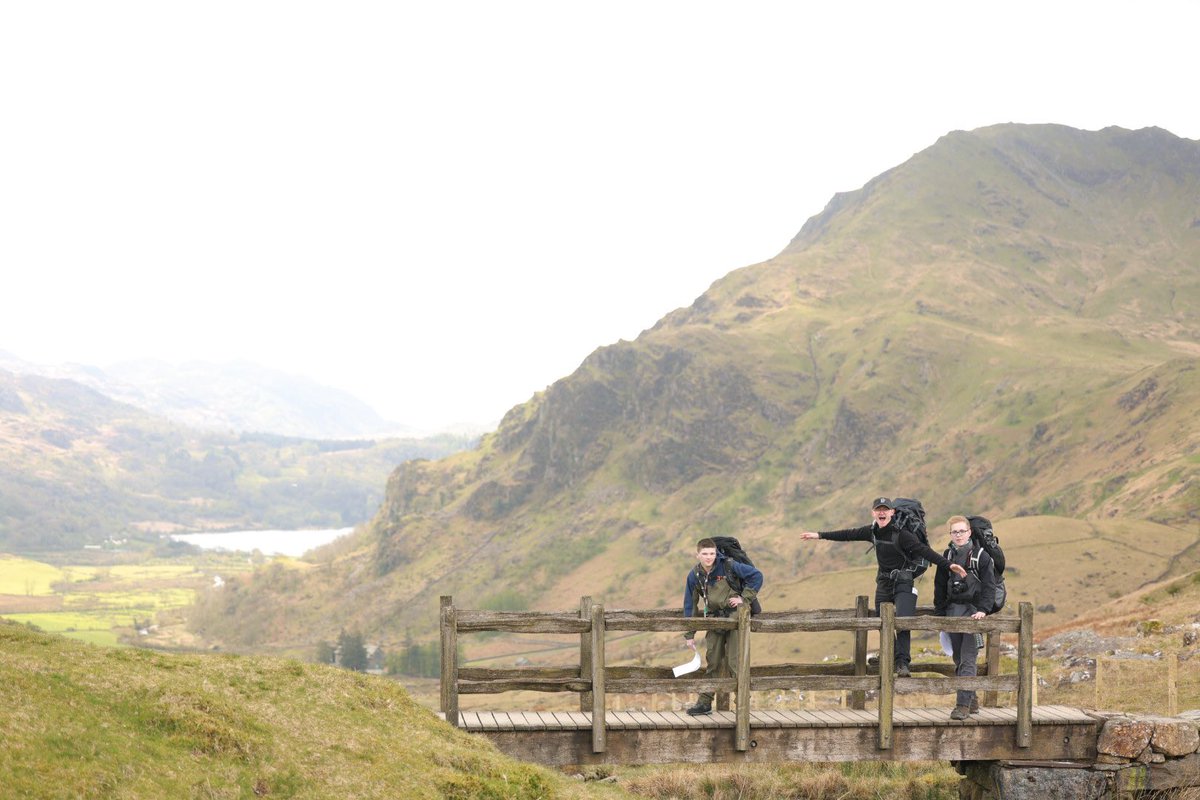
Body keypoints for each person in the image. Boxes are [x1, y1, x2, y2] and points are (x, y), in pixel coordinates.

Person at [798, 497, 966, 677]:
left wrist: (948, 565)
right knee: (881, 621)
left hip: (903, 581)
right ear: (873, 513)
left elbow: (924, 551)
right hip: (884, 584)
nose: (882, 513)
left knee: (903, 622)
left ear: (892, 512)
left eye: (885, 510)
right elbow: (848, 534)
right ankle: (892, 656)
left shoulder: (902, 534)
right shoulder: (872, 532)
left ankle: (902, 664)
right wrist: (819, 535)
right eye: (878, 510)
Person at [682, 537, 764, 715]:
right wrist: (689, 635)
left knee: (736, 662)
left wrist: (744, 598)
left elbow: (756, 576)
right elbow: (690, 605)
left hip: (735, 620)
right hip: (714, 620)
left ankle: (742, 704)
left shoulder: (729, 565)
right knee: (713, 662)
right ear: (698, 555)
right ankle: (704, 703)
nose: (709, 557)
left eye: (711, 553)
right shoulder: (695, 574)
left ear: (716, 553)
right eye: (705, 554)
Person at [934, 515, 997, 719]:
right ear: (950, 534)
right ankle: (972, 700)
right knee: (958, 658)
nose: (959, 535)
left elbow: (989, 586)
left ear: (969, 532)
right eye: (955, 532)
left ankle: (962, 706)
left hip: (973, 615)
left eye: (962, 531)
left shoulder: (982, 556)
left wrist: (983, 610)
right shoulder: (947, 555)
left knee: (968, 659)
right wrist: (939, 612)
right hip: (952, 613)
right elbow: (940, 584)